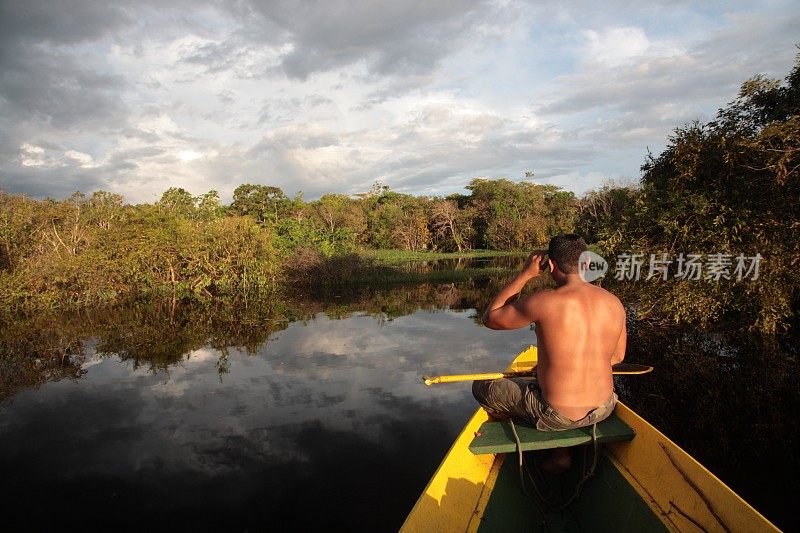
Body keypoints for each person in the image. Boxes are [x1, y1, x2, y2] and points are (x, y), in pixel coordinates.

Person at [473, 234, 626, 472]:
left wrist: (525, 274)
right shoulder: (614, 302)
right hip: (603, 409)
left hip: (557, 416)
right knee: (548, 387)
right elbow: (617, 357)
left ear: (551, 265)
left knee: (483, 388)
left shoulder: (545, 301)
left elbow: (491, 318)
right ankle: (562, 450)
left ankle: (542, 438)